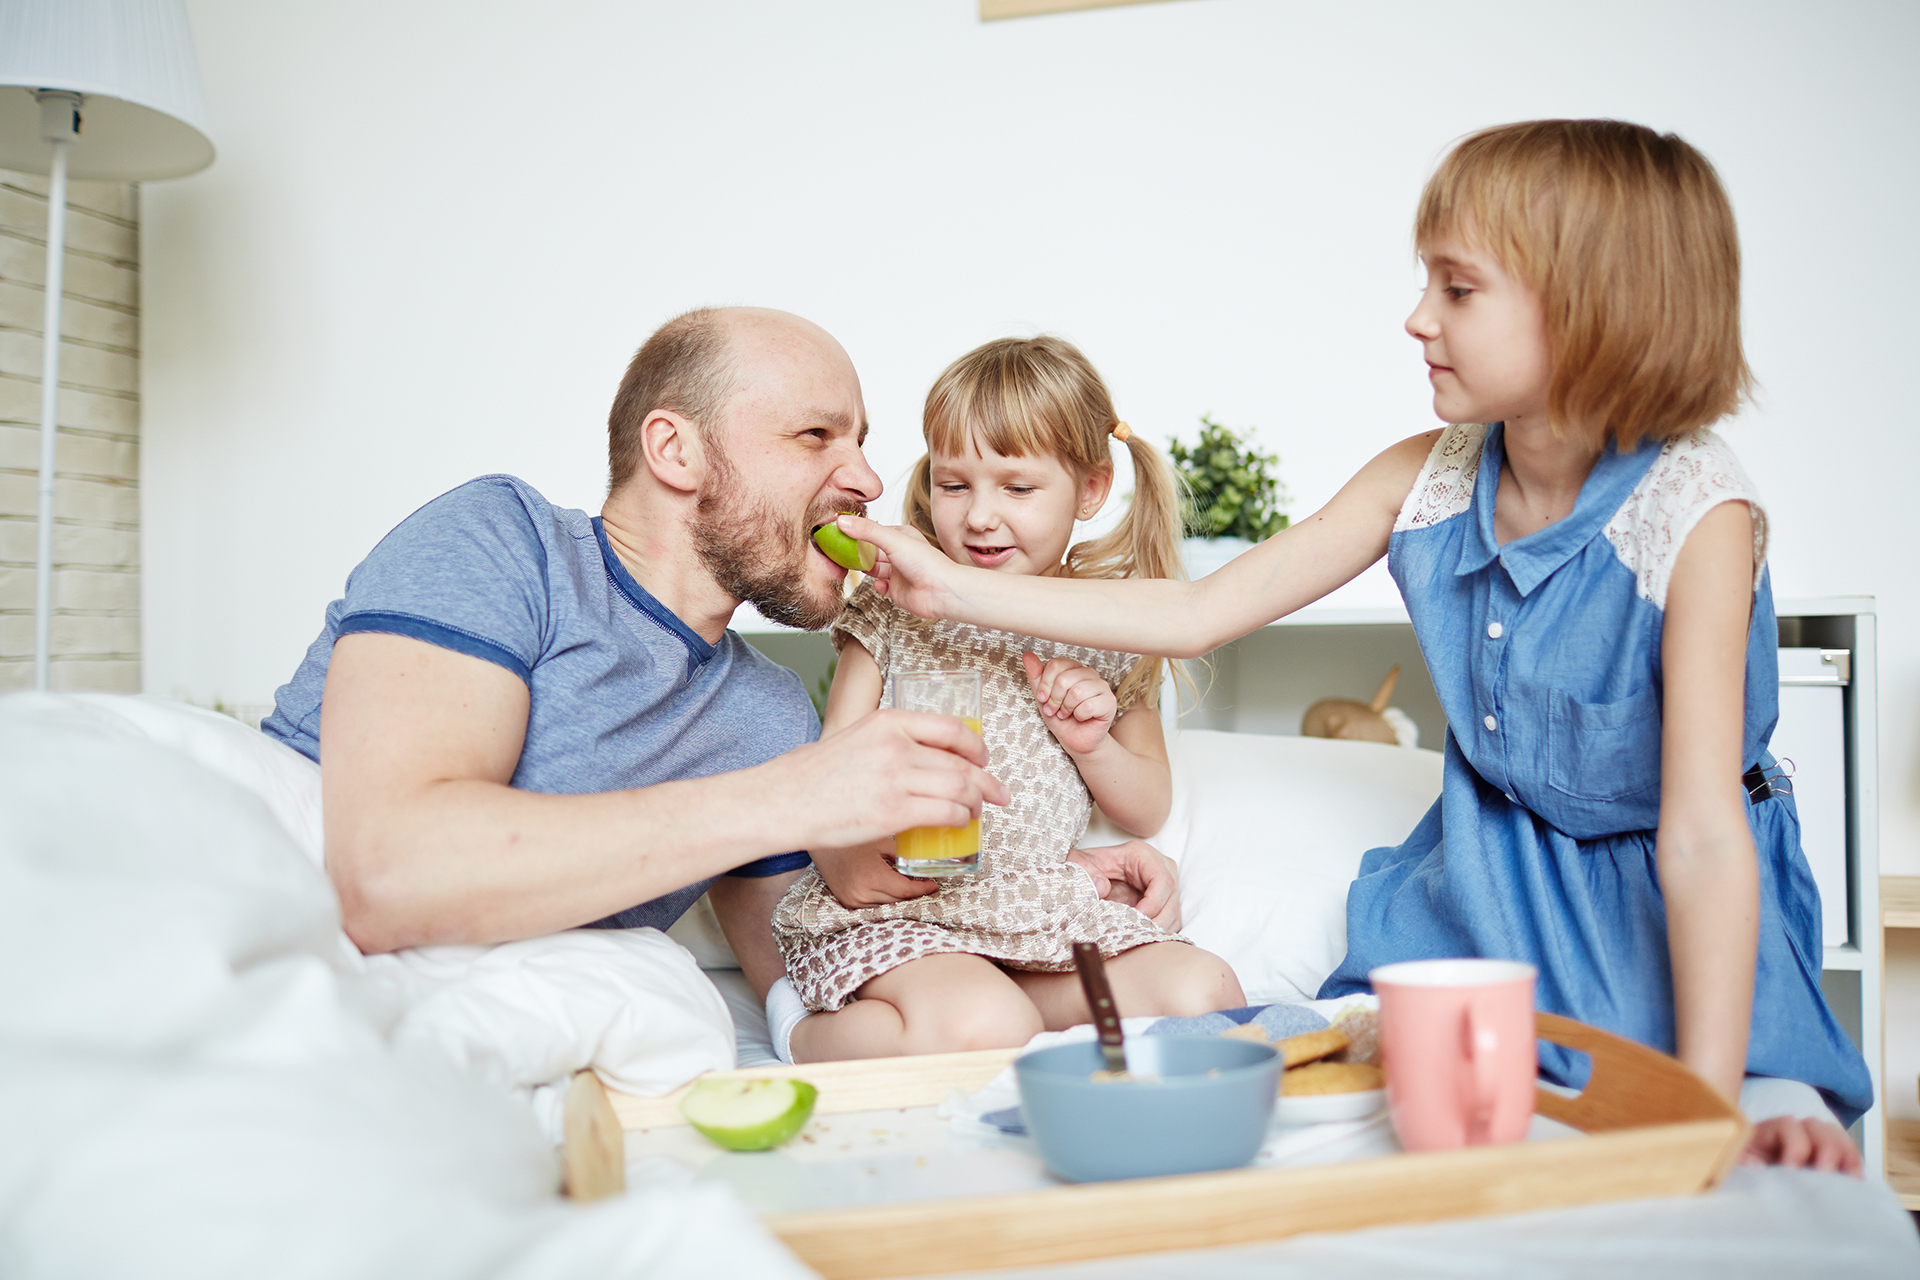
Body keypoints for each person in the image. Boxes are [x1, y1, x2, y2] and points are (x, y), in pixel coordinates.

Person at [833, 122, 1872, 1171]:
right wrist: (956, 583)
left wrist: (1700, 1107)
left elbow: (1700, 835)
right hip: (1483, 893)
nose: (1418, 317)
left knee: (1752, 1126)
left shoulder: (1695, 508)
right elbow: (1201, 614)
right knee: (1271, 1078)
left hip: (1665, 916)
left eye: (1458, 289)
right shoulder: (1430, 473)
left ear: (1592, 303)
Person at [765, 337, 1242, 1063]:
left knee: (1202, 994)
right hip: (911, 914)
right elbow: (835, 765)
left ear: (1090, 488)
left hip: (1035, 913)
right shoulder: (894, 611)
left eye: (1017, 489)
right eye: (956, 485)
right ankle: (798, 1024)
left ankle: (1015, 1016)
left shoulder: (1112, 625)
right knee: (983, 1024)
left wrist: (1094, 743)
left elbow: (1146, 806)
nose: (981, 517)